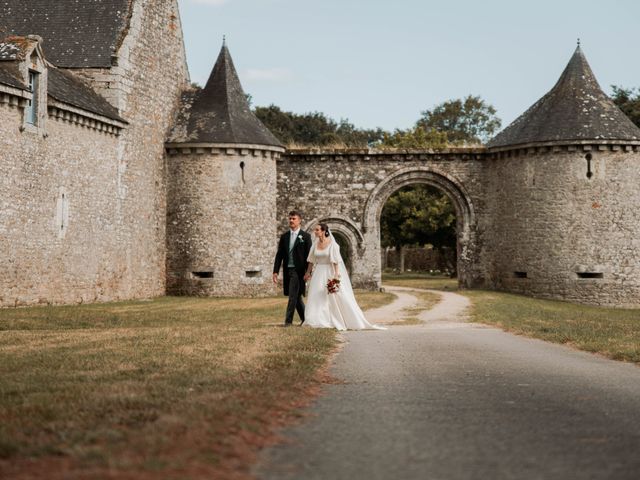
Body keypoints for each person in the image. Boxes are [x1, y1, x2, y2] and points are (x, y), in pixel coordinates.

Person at [303, 223, 385, 331]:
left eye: (317, 230)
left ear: (323, 231)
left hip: (329, 271)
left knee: (334, 296)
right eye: (315, 230)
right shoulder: (315, 244)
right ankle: (316, 319)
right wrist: (308, 273)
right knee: (316, 295)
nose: (315, 232)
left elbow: (336, 261)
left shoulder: (333, 245)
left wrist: (336, 276)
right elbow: (311, 260)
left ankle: (341, 318)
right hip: (318, 272)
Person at [273, 210, 313, 327]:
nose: (291, 220)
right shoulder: (284, 236)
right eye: (290, 218)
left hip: (299, 271)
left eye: (293, 219)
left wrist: (308, 272)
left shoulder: (305, 237)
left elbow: (309, 256)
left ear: (299, 220)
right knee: (296, 296)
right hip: (287, 270)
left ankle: (288, 322)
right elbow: (279, 255)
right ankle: (306, 319)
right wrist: (275, 271)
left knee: (292, 296)